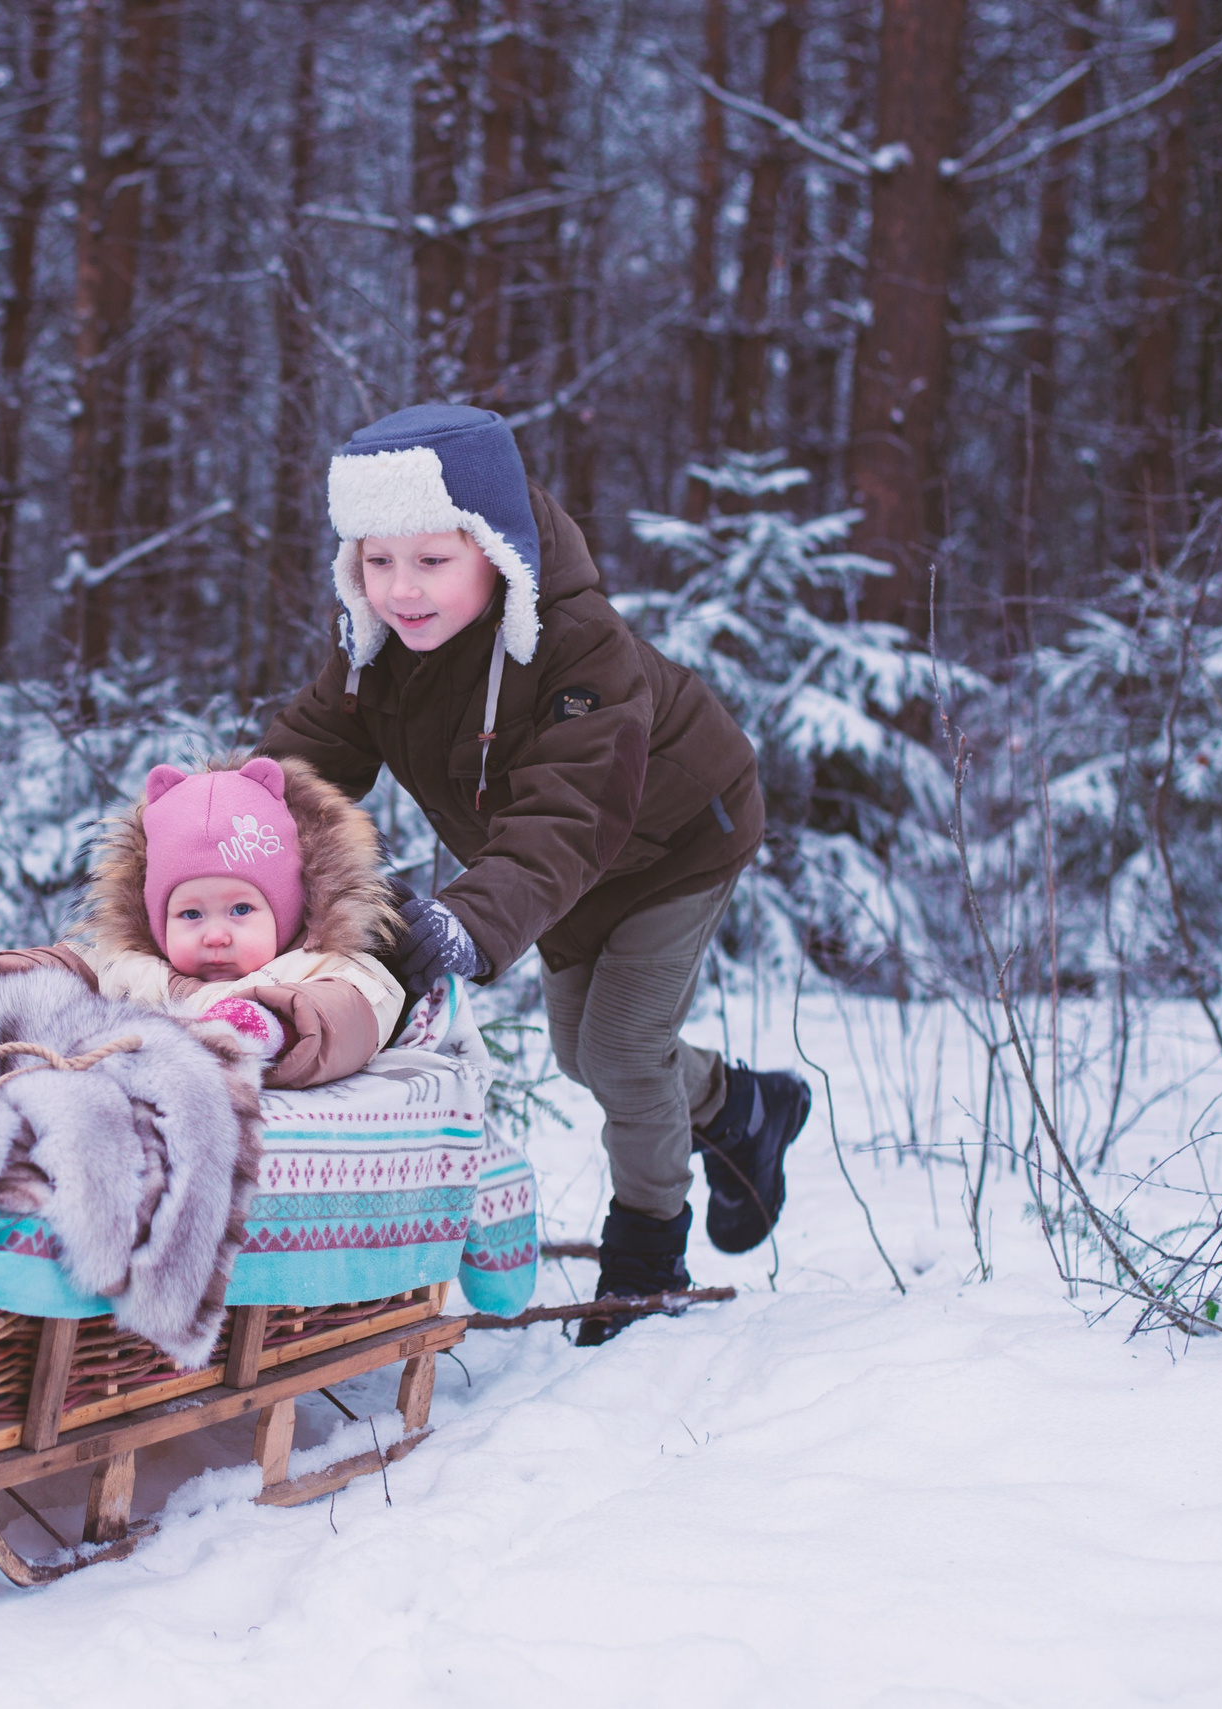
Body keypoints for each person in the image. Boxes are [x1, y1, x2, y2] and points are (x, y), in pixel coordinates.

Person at [258, 402, 812, 1341]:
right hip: (560, 865)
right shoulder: (384, 642)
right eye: (378, 561)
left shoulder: (575, 642)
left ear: (497, 549)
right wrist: (227, 835)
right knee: (577, 1052)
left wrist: (469, 919)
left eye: (432, 560)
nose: (402, 589)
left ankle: (648, 1250)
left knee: (626, 1050)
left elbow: (570, 805)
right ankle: (738, 1105)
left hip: (672, 839)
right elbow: (313, 754)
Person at [0, 754, 403, 1090]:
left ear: (288, 909)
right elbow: (69, 967)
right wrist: (9, 985)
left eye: (241, 910)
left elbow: (349, 1017)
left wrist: (270, 1026)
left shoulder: (322, 969)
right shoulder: (127, 966)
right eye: (190, 914)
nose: (214, 935)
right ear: (156, 919)